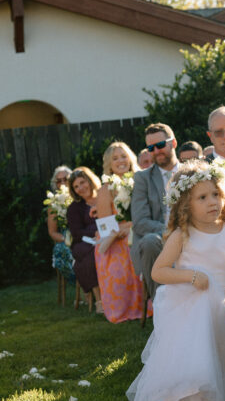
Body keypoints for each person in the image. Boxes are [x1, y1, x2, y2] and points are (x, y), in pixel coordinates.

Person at [126, 161, 225, 401]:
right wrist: (189, 275)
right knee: (197, 366)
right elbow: (159, 271)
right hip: (194, 308)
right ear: (186, 204)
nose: (212, 202)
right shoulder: (181, 235)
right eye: (202, 197)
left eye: (215, 194)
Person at [94, 143, 148, 323]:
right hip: (114, 239)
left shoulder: (141, 181)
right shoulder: (105, 189)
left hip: (140, 231)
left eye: (123, 156)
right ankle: (126, 308)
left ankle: (150, 302)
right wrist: (124, 229)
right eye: (115, 158)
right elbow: (106, 226)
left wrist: (133, 226)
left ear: (130, 158)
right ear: (109, 164)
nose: (120, 161)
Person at [131, 123, 179, 300]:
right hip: (161, 240)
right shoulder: (142, 178)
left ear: (173, 143)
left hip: (191, 235)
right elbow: (140, 221)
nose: (156, 151)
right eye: (151, 148)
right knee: (150, 241)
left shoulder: (192, 172)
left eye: (160, 145)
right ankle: (161, 306)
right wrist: (171, 233)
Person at [66, 168, 102, 312]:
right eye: (76, 186)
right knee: (91, 256)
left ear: (90, 181)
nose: (81, 188)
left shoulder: (104, 197)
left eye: (82, 182)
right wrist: (95, 232)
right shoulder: (74, 208)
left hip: (109, 236)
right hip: (83, 242)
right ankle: (99, 300)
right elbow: (76, 232)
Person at [47, 164, 75, 283]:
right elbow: (52, 232)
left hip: (84, 235)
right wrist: (66, 239)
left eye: (66, 179)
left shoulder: (82, 195)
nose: (63, 183)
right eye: (59, 181)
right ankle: (84, 289)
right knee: (68, 252)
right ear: (55, 184)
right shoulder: (53, 204)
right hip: (65, 239)